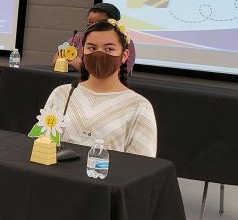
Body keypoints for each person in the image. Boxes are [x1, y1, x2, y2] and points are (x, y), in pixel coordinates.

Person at [45, 19, 156, 157]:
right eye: (92, 48)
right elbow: (44, 146)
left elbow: (143, 165)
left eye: (109, 49)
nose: (99, 54)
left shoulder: (139, 106)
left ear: (124, 55)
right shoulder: (61, 94)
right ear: (82, 52)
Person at [68, 2, 136, 73]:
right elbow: (57, 58)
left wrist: (81, 65)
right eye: (90, 22)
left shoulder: (125, 42)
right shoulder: (78, 38)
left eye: (98, 23)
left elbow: (121, 71)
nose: (92, 27)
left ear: (112, 23)